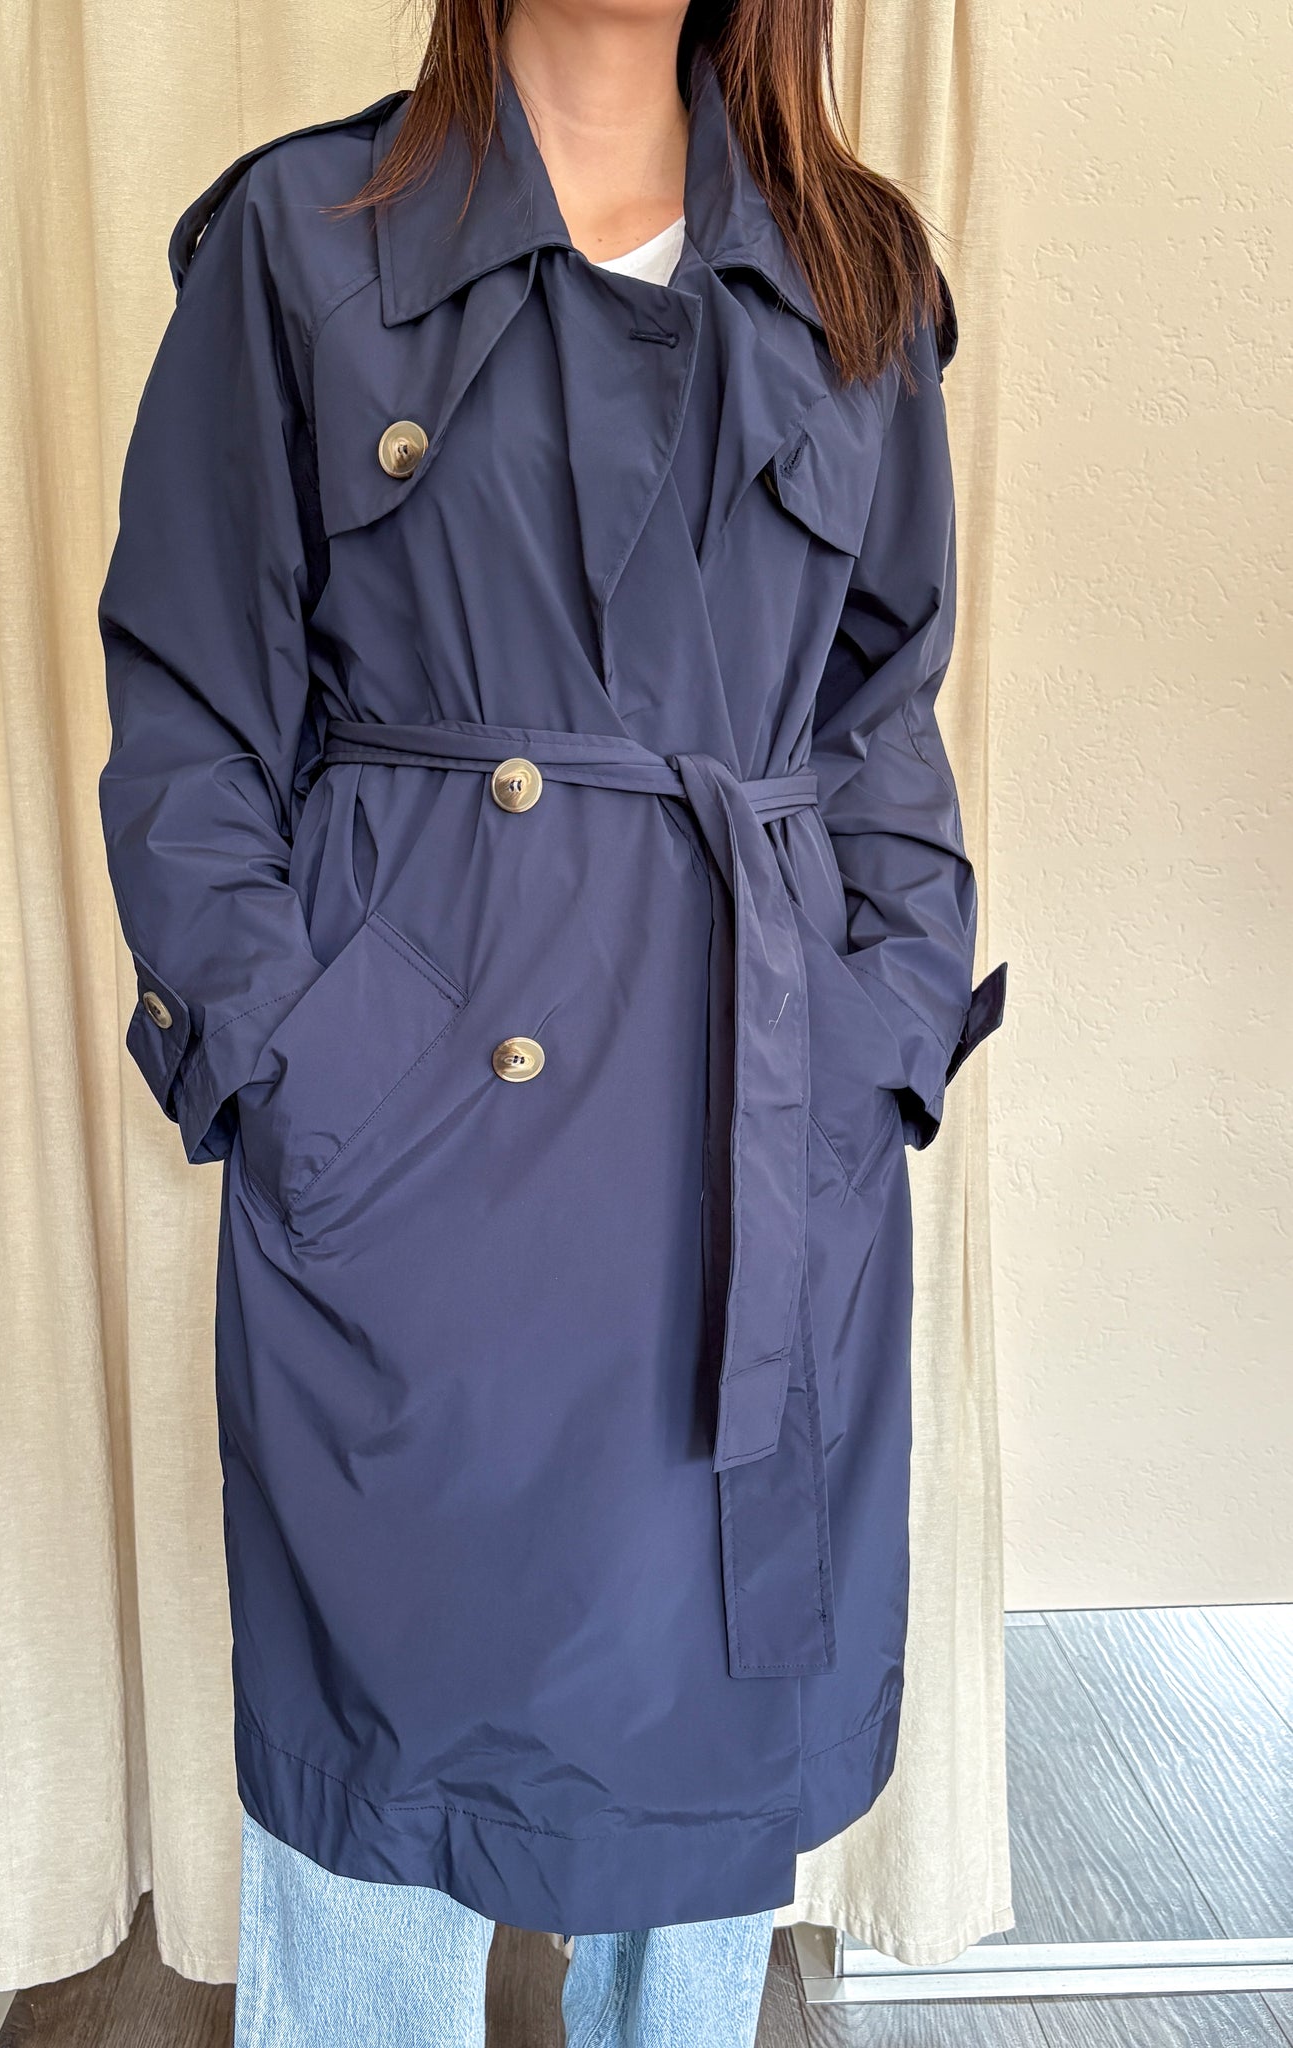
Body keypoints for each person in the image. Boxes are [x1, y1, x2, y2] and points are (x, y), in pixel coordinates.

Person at [96, 0, 1007, 2037]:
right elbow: (192, 725)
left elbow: (880, 721)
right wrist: (304, 1071)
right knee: (377, 1801)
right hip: (417, 1144)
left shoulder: (852, 268)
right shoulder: (309, 238)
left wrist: (878, 1033)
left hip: (749, 1134)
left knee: (699, 1819)